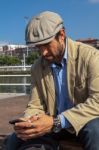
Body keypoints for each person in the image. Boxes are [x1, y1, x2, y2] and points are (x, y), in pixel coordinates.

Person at [6, 11, 99, 150]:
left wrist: (57, 122)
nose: (43, 52)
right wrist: (29, 121)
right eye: (38, 47)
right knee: (14, 140)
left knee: (96, 130)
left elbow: (97, 101)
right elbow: (35, 105)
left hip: (82, 122)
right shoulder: (37, 67)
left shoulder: (91, 57)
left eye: (46, 44)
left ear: (61, 35)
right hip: (52, 125)